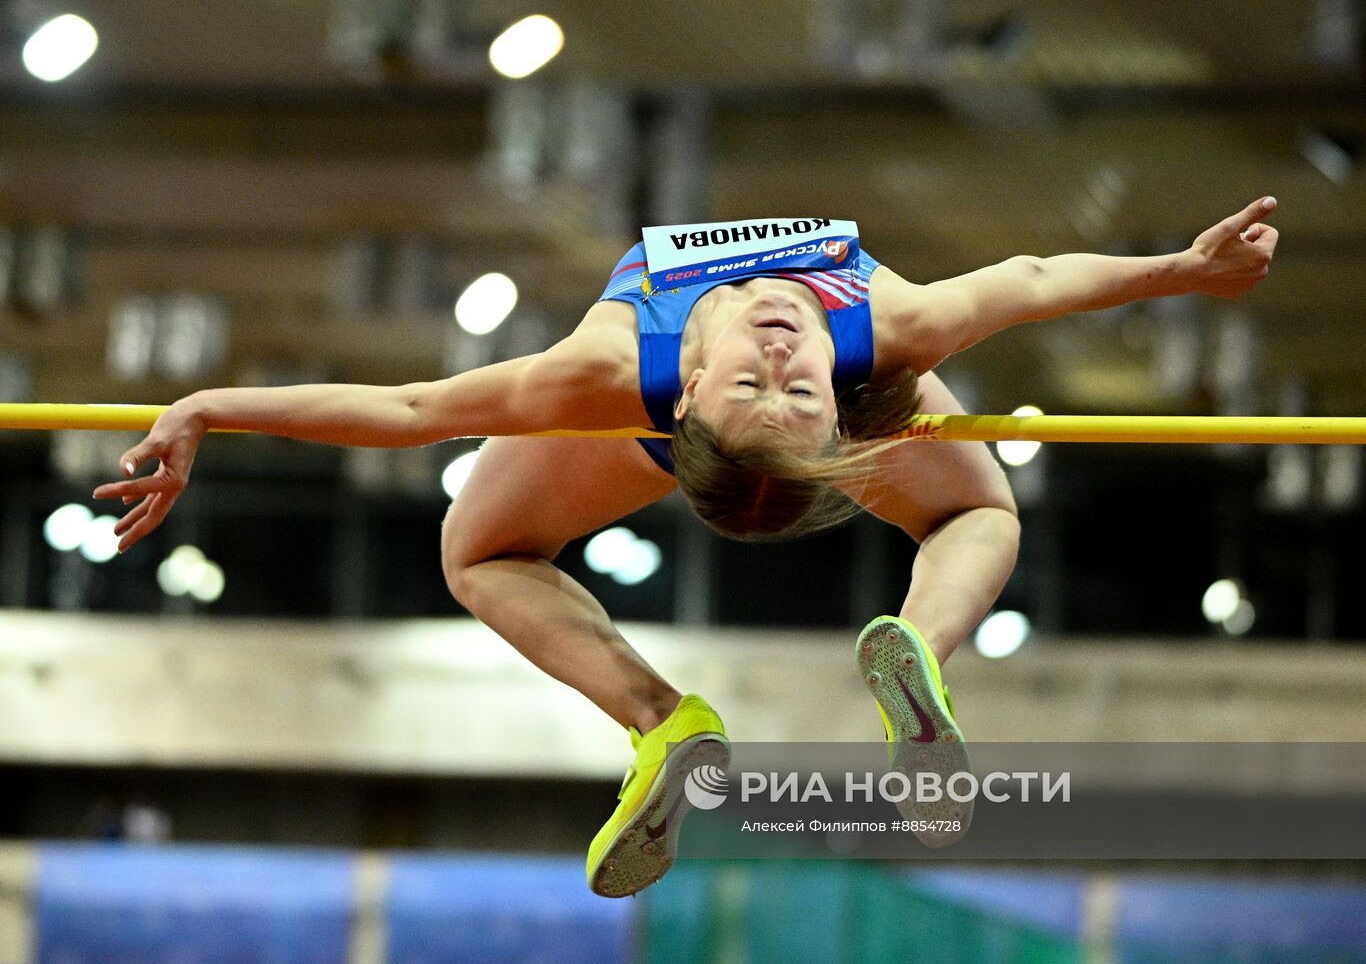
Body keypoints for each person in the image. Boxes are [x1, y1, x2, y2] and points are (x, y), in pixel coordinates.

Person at [93, 198, 1279, 895]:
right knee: (976, 515)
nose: (781, 346)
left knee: (479, 549)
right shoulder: (863, 333)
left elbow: (411, 413)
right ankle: (893, 647)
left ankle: (678, 719)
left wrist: (210, 406)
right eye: (781, 376)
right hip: (685, 434)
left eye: (792, 375)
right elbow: (1028, 276)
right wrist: (1177, 269)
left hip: (699, 433)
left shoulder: (653, 371)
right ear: (690, 391)